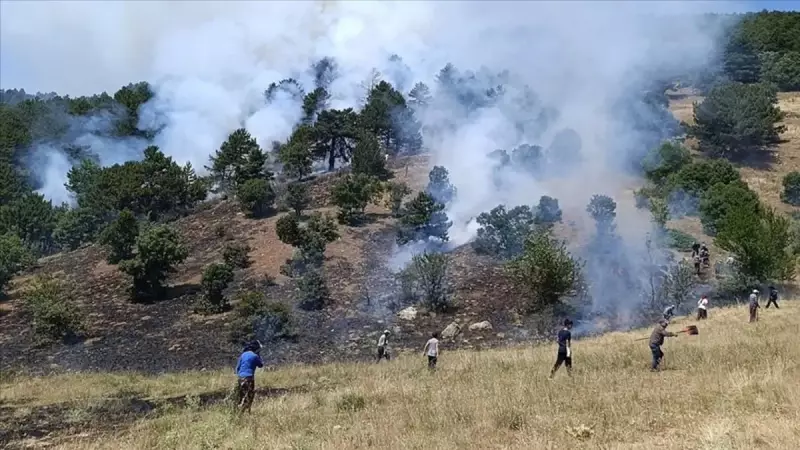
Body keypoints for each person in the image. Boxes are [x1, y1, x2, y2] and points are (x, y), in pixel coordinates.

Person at [234, 340, 264, 414]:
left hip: (240, 378)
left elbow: (237, 368)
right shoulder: (255, 356)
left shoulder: (243, 355)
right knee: (249, 395)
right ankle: (246, 412)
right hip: (249, 378)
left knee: (240, 395)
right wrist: (258, 355)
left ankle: (237, 411)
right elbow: (260, 365)